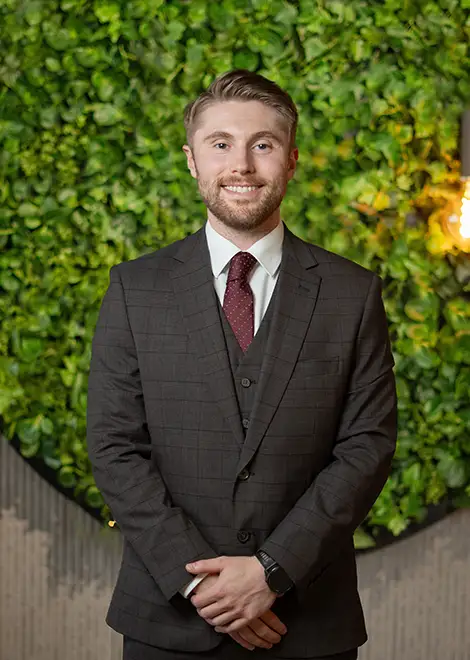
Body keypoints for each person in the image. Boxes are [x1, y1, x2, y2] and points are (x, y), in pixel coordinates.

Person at [87, 69, 397, 660]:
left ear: (292, 160)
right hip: (169, 620)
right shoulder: (134, 289)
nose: (242, 165)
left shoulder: (352, 294)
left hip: (308, 624)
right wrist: (202, 585)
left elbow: (367, 447)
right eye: (221, 143)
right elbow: (114, 446)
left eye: (263, 144)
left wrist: (271, 571)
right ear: (192, 160)